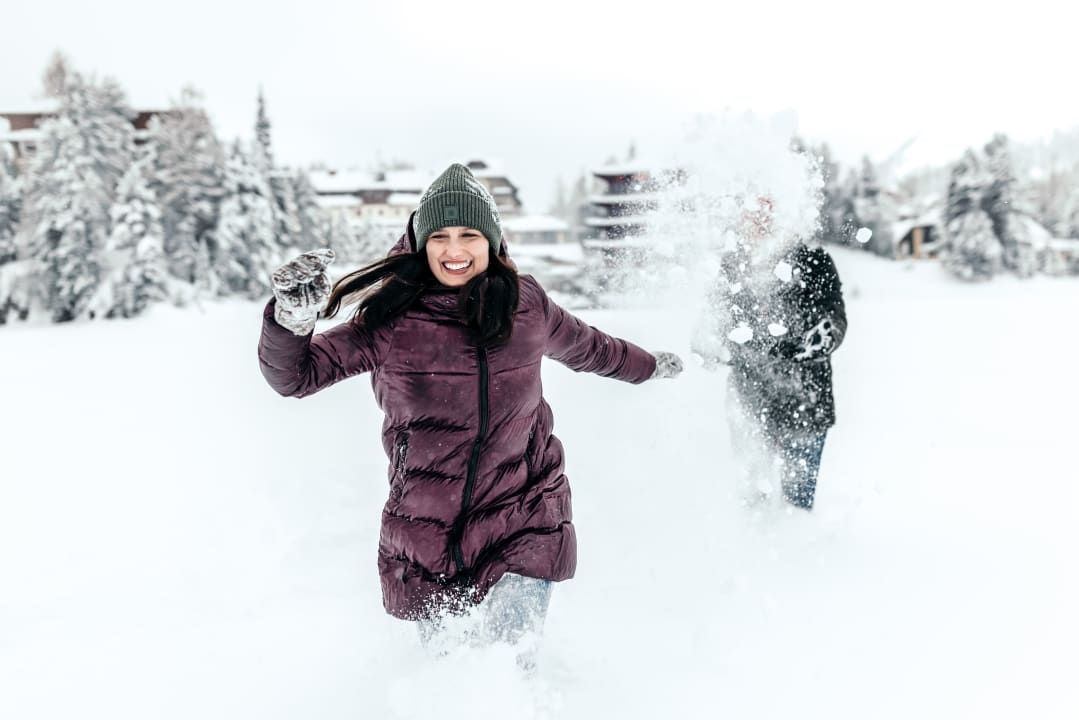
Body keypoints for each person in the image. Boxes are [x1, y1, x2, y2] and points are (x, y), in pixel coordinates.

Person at [258, 163, 684, 665]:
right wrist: (291, 322)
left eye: (469, 235)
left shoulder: (527, 306)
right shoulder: (392, 321)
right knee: (454, 677)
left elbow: (594, 349)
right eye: (439, 236)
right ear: (421, 243)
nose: (454, 250)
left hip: (526, 511)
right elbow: (297, 376)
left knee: (507, 668)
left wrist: (651, 367)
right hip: (429, 524)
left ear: (492, 242)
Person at [692, 195, 846, 510]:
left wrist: (808, 342)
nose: (761, 220)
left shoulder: (814, 261)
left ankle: (798, 551)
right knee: (753, 501)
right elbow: (715, 322)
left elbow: (833, 320)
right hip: (749, 404)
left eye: (771, 211)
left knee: (797, 502)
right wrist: (706, 343)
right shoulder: (733, 266)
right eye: (753, 213)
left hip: (805, 404)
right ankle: (754, 552)